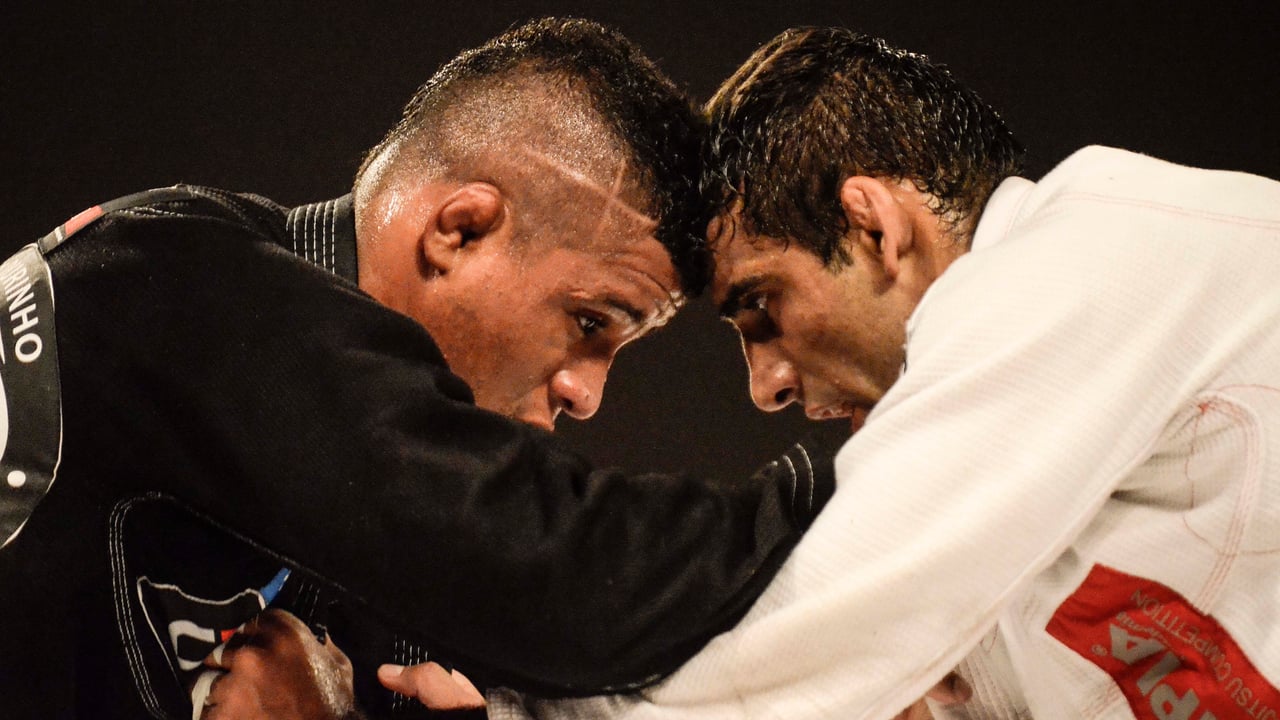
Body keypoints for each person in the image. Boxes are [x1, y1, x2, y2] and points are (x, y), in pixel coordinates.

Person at [0, 19, 836, 720]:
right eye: (588, 323)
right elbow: (576, 583)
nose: (587, 392)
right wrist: (893, 468)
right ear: (458, 231)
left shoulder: (378, 537)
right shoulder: (171, 277)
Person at [495, 26, 1280, 720]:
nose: (765, 385)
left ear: (875, 227)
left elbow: (795, 666)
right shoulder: (1029, 490)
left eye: (763, 304)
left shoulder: (1095, 254)